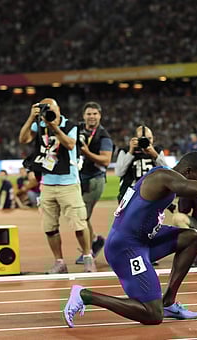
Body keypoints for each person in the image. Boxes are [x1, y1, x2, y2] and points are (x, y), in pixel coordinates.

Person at [63, 151, 197, 328]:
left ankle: (169, 302)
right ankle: (85, 295)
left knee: (192, 237)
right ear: (189, 171)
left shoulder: (168, 178)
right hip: (126, 248)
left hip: (144, 240)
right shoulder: (162, 176)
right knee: (152, 314)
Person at [18, 98, 95, 273]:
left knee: (79, 224)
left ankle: (88, 256)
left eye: (52, 109)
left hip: (68, 182)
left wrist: (53, 126)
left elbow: (69, 144)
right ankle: (59, 262)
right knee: (49, 227)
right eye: (46, 110)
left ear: (59, 109)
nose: (50, 113)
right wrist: (31, 118)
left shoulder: (71, 126)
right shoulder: (40, 125)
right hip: (47, 183)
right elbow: (23, 139)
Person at [75, 101, 113, 264]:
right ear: (83, 116)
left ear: (100, 116)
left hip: (95, 179)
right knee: (82, 216)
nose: (91, 117)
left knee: (82, 217)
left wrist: (86, 152)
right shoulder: (77, 130)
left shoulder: (103, 136)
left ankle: (88, 251)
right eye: (89, 113)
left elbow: (106, 160)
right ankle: (95, 241)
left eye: (95, 113)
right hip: (79, 179)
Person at [115, 125, 167, 203]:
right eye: (141, 139)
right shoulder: (125, 151)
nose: (146, 141)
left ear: (153, 138)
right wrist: (130, 152)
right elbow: (119, 172)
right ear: (135, 139)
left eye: (149, 138)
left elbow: (167, 172)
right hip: (130, 191)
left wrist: (155, 155)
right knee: (128, 215)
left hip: (151, 192)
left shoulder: (157, 151)